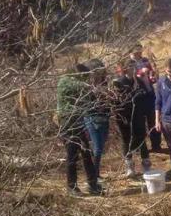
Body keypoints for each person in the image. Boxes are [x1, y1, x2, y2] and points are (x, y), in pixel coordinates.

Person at [56, 62, 102, 196]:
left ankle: (93, 185)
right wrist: (92, 86)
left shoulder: (77, 84)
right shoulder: (64, 82)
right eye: (84, 77)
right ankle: (71, 187)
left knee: (87, 153)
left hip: (78, 122)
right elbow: (82, 88)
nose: (86, 80)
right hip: (67, 124)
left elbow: (87, 101)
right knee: (72, 156)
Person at [112, 61, 152, 179]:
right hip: (124, 117)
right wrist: (120, 117)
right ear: (125, 68)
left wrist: (145, 111)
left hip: (138, 115)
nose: (133, 69)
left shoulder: (139, 82)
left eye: (134, 66)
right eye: (130, 66)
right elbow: (116, 103)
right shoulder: (119, 83)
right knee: (126, 140)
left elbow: (146, 95)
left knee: (141, 139)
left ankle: (146, 165)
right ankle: (129, 166)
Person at [83, 61, 111, 177]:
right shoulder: (87, 87)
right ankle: (94, 174)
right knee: (98, 147)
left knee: (102, 146)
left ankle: (95, 172)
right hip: (92, 118)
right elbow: (85, 105)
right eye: (97, 72)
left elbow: (109, 102)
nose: (100, 74)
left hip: (104, 118)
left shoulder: (105, 84)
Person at [130, 44, 160, 152]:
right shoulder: (128, 64)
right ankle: (142, 148)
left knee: (153, 120)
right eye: (136, 51)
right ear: (131, 52)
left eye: (140, 50)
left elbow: (152, 75)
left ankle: (156, 145)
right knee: (140, 125)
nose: (139, 53)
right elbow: (127, 79)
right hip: (137, 98)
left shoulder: (145, 60)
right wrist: (140, 73)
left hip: (149, 94)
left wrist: (152, 76)